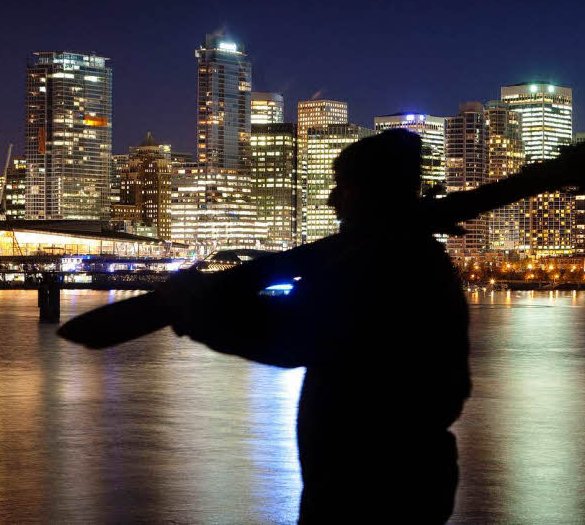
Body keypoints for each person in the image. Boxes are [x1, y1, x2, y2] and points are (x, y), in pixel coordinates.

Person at [159, 129, 471, 523]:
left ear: (367, 191)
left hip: (363, 486)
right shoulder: (422, 261)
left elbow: (288, 335)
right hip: (414, 477)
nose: (331, 200)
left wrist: (195, 313)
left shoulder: (373, 265)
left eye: (341, 187)